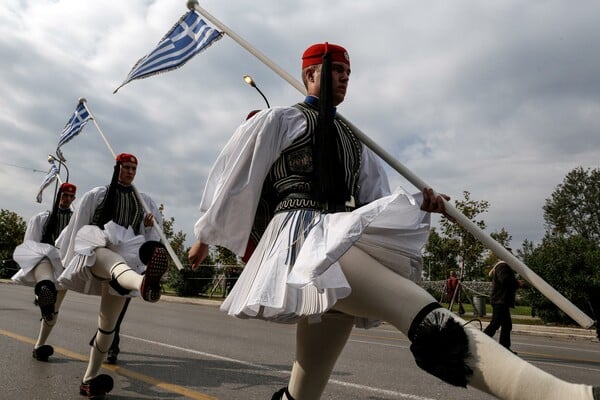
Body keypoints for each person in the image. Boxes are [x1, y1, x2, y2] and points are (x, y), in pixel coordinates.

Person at [189, 43, 599, 400]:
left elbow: (376, 201)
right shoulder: (279, 120)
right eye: (337, 71)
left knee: (306, 388)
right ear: (310, 73)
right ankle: (567, 396)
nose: (345, 79)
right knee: (417, 308)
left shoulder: (356, 140)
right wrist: (205, 235)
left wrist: (422, 206)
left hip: (338, 234)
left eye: (349, 73)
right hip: (300, 239)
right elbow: (234, 176)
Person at [58, 153, 169, 398]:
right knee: (114, 262)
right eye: (126, 167)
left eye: (134, 169)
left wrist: (148, 226)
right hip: (98, 250)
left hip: (127, 259)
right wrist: (69, 262)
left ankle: (88, 381)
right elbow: (78, 227)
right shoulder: (96, 195)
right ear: (117, 167)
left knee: (107, 328)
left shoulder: (143, 200)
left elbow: (144, 239)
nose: (130, 172)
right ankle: (144, 283)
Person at [12, 182, 77, 361]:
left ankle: (39, 345)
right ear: (58, 196)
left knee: (53, 310)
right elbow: (31, 244)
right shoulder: (43, 218)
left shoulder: (75, 221)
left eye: (71, 197)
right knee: (47, 286)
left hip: (63, 269)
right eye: (65, 196)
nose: (67, 200)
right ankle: (43, 293)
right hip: (45, 264)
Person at [483, 248, 523, 353]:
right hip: (500, 300)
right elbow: (504, 279)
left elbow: (505, 280)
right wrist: (517, 283)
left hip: (501, 300)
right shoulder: (503, 266)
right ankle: (481, 343)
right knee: (495, 324)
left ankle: (504, 348)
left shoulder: (502, 266)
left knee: (506, 325)